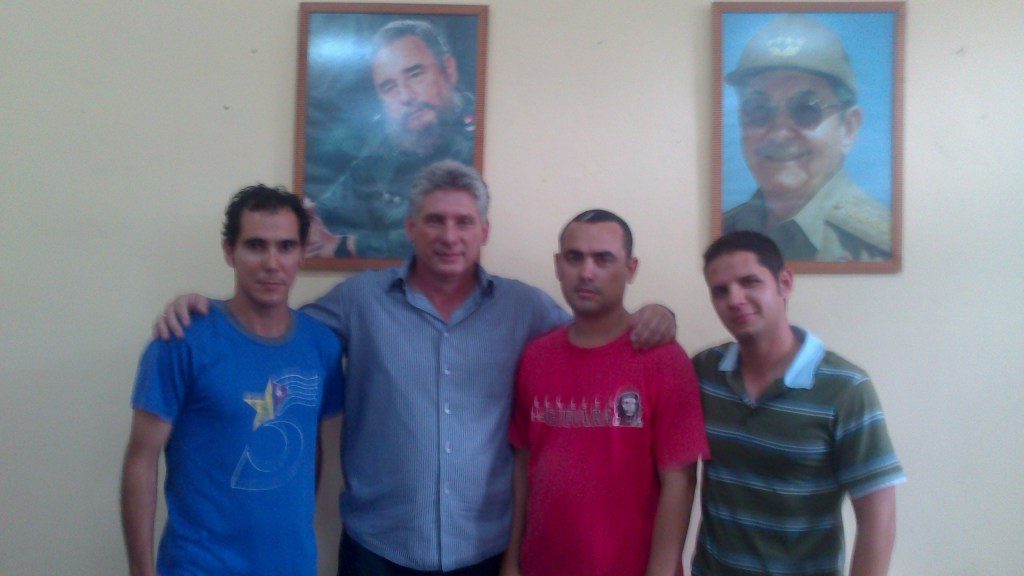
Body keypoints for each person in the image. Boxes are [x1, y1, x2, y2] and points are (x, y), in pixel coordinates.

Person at [154, 162, 677, 576]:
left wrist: (657, 315)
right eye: (434, 220)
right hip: (378, 549)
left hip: (485, 551)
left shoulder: (525, 309)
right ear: (410, 228)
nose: (449, 235)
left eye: (463, 221)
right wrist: (209, 312)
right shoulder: (361, 300)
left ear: (484, 231)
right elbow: (276, 332)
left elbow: (594, 335)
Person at [120, 185, 344, 576]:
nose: (272, 263)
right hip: (200, 565)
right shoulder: (183, 341)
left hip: (293, 566)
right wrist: (141, 571)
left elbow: (314, 450)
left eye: (286, 247)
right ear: (229, 251)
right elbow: (141, 461)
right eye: (256, 245)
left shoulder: (321, 345)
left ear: (302, 253)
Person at [501, 210, 710, 576]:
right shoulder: (536, 356)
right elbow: (523, 463)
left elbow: (680, 481)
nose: (586, 272)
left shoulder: (664, 360)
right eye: (574, 257)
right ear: (557, 265)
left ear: (630, 268)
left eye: (603, 259)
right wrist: (512, 560)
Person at [691, 231, 905, 575]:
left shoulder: (846, 388)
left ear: (785, 283)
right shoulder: (704, 372)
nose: (735, 299)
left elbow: (878, 518)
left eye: (750, 282)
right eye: (720, 290)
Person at [722, 14, 891, 262]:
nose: (779, 133)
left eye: (806, 108)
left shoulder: (878, 249)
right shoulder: (726, 232)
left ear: (848, 128)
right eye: (758, 109)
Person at [306, 19, 477, 260]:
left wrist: (350, 245)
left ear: (449, 70)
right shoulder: (389, 140)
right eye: (389, 87)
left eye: (415, 74)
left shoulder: (477, 142)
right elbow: (340, 199)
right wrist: (305, 217)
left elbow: (446, 237)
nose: (405, 96)